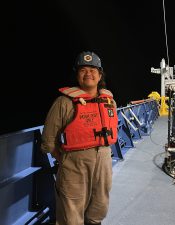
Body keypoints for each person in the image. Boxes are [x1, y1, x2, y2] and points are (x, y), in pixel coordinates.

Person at [41, 51, 118, 225]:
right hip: (74, 166)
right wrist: (65, 160)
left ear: (100, 75)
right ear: (77, 75)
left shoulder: (109, 102)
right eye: (83, 70)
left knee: (99, 208)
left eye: (93, 69)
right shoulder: (63, 103)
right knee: (71, 216)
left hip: (104, 163)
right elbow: (48, 141)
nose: (88, 73)